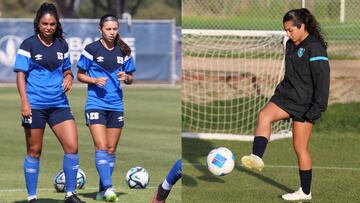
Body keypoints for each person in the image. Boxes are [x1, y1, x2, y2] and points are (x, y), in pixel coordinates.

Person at [241, 8, 330, 201]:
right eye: (286, 30)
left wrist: (318, 107)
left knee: (300, 148)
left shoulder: (315, 47)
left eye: (291, 30)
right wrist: (280, 91)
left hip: (306, 104)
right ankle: (256, 156)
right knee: (264, 115)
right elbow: (292, 74)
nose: (288, 34)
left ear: (302, 26)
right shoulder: (290, 44)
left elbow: (322, 79)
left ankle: (305, 192)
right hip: (286, 97)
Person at [13, 3, 85, 203]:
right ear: (38, 23)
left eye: (52, 24)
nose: (48, 27)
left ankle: (70, 194)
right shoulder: (28, 45)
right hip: (34, 105)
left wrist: (69, 76)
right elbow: (20, 76)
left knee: (72, 146)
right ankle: (32, 197)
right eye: (45, 23)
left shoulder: (62, 44)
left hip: (59, 105)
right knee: (34, 151)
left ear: (57, 24)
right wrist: (25, 103)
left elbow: (66, 69)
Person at [76, 14, 136, 202]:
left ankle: (102, 191)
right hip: (95, 103)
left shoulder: (124, 51)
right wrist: (94, 80)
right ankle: (109, 188)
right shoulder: (91, 49)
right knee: (101, 146)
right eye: (108, 29)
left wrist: (126, 78)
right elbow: (80, 75)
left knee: (111, 149)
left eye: (115, 29)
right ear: (100, 29)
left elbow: (131, 79)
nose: (112, 32)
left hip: (116, 105)